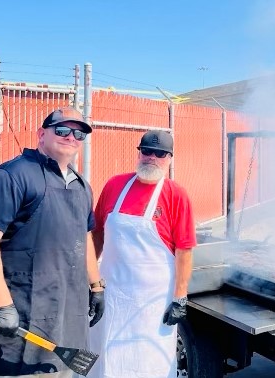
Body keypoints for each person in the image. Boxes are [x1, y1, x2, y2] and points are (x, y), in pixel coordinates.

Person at [0, 107, 104, 377]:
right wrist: (2, 303)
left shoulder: (82, 186)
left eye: (79, 133)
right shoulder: (12, 176)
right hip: (21, 318)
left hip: (67, 318)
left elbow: (84, 238)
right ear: (41, 134)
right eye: (62, 130)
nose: (71, 137)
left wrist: (96, 286)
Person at [88, 130, 196, 378]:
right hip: (112, 295)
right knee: (104, 357)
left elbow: (184, 249)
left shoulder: (176, 195)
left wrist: (180, 297)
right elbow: (97, 236)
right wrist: (90, 279)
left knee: (149, 363)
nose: (151, 157)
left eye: (159, 153)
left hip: (153, 302)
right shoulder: (115, 185)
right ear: (139, 153)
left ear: (169, 158)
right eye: (146, 151)